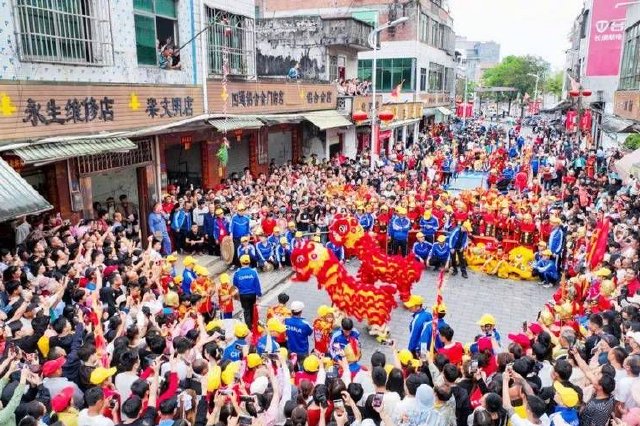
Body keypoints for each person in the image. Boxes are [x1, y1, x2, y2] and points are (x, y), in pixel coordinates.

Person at [232, 254, 262, 327]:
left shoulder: (237, 273)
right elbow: (257, 284)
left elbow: (235, 285)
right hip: (252, 294)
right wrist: (259, 294)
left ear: (241, 262)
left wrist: (236, 295)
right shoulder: (253, 272)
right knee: (252, 309)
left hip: (243, 295)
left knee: (246, 311)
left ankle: (248, 328)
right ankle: (253, 323)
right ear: (249, 262)